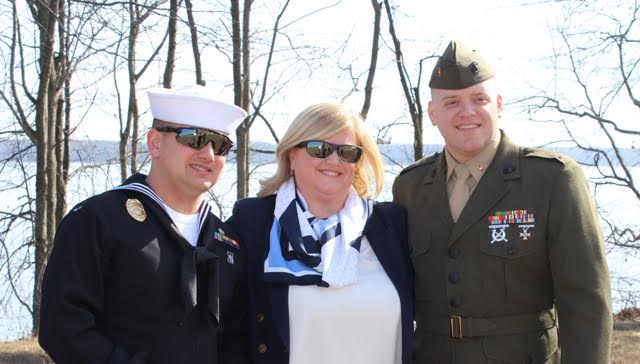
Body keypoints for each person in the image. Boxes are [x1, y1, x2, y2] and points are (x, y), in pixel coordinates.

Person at [392, 40, 613, 363]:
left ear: (498, 104)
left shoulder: (552, 179)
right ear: (433, 113)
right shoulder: (410, 187)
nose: (467, 112)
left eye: (478, 99)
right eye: (451, 102)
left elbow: (586, 302)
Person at [39, 86, 249, 364]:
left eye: (221, 145)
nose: (209, 154)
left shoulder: (225, 241)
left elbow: (234, 338)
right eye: (195, 138)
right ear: (155, 143)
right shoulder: (98, 220)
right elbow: (63, 327)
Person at [227, 103, 413, 364]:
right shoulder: (253, 224)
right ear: (292, 154)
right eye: (319, 149)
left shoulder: (391, 226)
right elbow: (227, 332)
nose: (334, 160)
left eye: (347, 152)